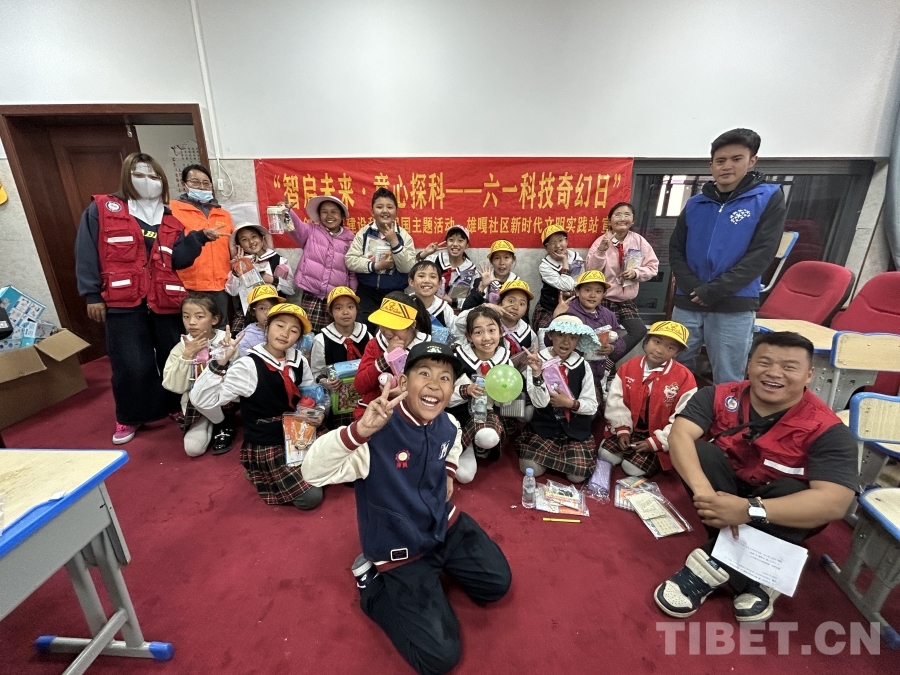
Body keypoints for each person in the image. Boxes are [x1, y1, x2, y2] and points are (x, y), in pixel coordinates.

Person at [302, 342, 512, 675]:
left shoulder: (446, 422)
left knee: (497, 585)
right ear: (403, 381)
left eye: (445, 377)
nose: (435, 384)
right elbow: (312, 472)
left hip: (443, 524)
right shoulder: (376, 432)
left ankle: (438, 571)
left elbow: (453, 438)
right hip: (400, 546)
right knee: (439, 658)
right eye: (424, 373)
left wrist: (449, 471)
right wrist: (359, 431)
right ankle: (373, 588)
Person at [653, 331, 857, 623]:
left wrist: (748, 510)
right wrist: (708, 497)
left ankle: (710, 566)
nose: (774, 373)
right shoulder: (718, 395)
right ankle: (760, 577)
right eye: (764, 362)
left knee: (794, 490)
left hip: (775, 507)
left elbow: (836, 502)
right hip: (723, 493)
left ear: (809, 374)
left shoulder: (828, 429)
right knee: (701, 452)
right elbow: (680, 435)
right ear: (749, 365)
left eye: (789, 366)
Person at [74, 152, 215, 444]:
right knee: (131, 362)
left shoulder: (169, 218)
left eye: (154, 176)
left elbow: (178, 260)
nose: (148, 182)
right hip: (123, 300)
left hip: (165, 300)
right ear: (127, 177)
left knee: (174, 356)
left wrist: (199, 239)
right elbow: (86, 251)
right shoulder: (103, 209)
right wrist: (92, 294)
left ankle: (174, 405)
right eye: (140, 175)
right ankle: (130, 416)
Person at [668, 128, 787, 384]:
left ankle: (722, 412)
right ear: (711, 165)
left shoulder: (767, 198)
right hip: (689, 301)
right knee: (674, 371)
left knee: (728, 377)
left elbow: (762, 253)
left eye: (736, 159)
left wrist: (714, 290)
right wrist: (694, 287)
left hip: (733, 302)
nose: (727, 166)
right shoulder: (695, 204)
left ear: (752, 160)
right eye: (720, 160)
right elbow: (676, 250)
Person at [190, 303, 325, 511]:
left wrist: (317, 412)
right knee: (311, 497)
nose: (285, 334)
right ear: (267, 327)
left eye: (294, 330)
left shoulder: (298, 360)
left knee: (334, 466)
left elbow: (308, 391)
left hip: (297, 431)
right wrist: (220, 361)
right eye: (280, 325)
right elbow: (201, 399)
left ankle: (284, 469)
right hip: (267, 440)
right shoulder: (248, 365)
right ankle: (257, 469)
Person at [600, 321, 697, 477]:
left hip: (659, 433)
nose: (659, 350)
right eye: (656, 342)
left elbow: (684, 418)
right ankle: (626, 440)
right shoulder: (628, 367)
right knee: (606, 455)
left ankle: (650, 453)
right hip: (630, 427)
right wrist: (622, 429)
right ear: (647, 340)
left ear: (677, 353)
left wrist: (657, 442)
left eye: (670, 348)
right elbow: (616, 400)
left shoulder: (685, 378)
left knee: (632, 469)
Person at [516, 315, 600, 483]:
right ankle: (552, 460)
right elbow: (539, 403)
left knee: (577, 476)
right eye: (560, 335)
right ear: (551, 335)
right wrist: (537, 373)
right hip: (545, 428)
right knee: (530, 469)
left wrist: (571, 403)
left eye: (573, 337)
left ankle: (562, 461)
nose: (566, 342)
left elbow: (592, 405)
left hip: (575, 430)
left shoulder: (582, 365)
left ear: (578, 341)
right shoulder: (536, 360)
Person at [162, 292, 238, 456]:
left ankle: (223, 424)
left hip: (224, 400)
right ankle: (217, 422)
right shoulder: (181, 347)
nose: (191, 322)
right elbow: (173, 386)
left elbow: (241, 378)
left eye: (199, 316)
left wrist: (227, 354)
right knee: (193, 450)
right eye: (186, 316)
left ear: (214, 319)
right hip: (196, 404)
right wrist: (187, 355)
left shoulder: (225, 341)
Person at [447, 306, 516, 483]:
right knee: (464, 476)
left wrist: (504, 395)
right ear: (469, 336)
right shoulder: (457, 359)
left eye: (492, 330)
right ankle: (466, 444)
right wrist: (466, 390)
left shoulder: (505, 362)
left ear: (501, 332)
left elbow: (507, 404)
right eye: (478, 332)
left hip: (487, 416)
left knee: (488, 438)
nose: (486, 338)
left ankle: (479, 441)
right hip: (458, 417)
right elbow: (444, 398)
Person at [585, 202, 659, 358]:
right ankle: (604, 366)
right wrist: (601, 251)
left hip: (626, 301)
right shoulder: (601, 241)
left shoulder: (639, 241)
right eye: (617, 215)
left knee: (639, 330)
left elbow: (653, 267)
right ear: (610, 220)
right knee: (604, 336)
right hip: (604, 299)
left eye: (627, 215)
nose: (622, 218)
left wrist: (636, 273)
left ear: (633, 220)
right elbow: (591, 272)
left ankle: (612, 358)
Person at [169, 164, 235, 327]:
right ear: (184, 184)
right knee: (192, 329)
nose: (201, 187)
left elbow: (231, 246)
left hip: (219, 284)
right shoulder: (173, 210)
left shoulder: (223, 214)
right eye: (195, 182)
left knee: (219, 329)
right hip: (188, 284)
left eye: (206, 183)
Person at [345, 187, 417, 329]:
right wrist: (375, 266)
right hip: (367, 291)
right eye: (379, 207)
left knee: (393, 330)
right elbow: (350, 260)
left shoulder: (404, 236)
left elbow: (408, 267)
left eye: (389, 207)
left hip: (395, 293)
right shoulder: (364, 233)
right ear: (372, 212)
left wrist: (394, 242)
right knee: (363, 329)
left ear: (396, 212)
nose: (385, 211)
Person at [352, 293, 431, 420]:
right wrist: (386, 357)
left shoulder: (426, 349)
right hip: (374, 414)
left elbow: (433, 388)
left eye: (395, 326)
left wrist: (407, 393)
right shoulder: (375, 344)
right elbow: (360, 386)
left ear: (412, 325)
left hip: (412, 416)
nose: (387, 332)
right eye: (383, 324)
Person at [286, 195, 357, 332]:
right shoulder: (310, 231)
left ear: (342, 215)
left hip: (336, 297)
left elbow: (352, 271)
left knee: (334, 333)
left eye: (334, 212)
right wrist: (287, 213)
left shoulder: (350, 239)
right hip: (311, 294)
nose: (329, 216)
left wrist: (352, 293)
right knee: (308, 333)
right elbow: (295, 227)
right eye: (324, 212)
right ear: (319, 215)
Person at [553, 271, 626, 393]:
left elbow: (621, 342)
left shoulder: (608, 315)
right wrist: (556, 318)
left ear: (604, 294)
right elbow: (549, 340)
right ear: (577, 291)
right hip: (571, 373)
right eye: (587, 290)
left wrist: (612, 348)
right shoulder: (568, 312)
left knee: (592, 403)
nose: (593, 295)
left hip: (597, 375)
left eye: (598, 291)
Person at [310, 286, 372, 428]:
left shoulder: (367, 335)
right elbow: (316, 372)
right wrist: (325, 381)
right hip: (336, 403)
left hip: (364, 399)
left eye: (350, 307)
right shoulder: (322, 339)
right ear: (330, 312)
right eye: (338, 308)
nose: (345, 312)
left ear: (356, 309)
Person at [224, 222, 294, 316]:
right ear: (239, 245)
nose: (251, 242)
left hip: (275, 313)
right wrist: (237, 270)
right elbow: (232, 292)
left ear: (262, 238)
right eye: (244, 239)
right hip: (249, 314)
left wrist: (273, 280)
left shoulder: (279, 260)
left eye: (254, 236)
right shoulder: (239, 263)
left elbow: (291, 289)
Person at [533, 225, 584, 330]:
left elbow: (580, 282)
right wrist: (564, 261)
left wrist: (571, 292)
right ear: (546, 248)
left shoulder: (576, 258)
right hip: (549, 308)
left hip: (574, 307)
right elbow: (567, 285)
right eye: (552, 243)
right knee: (545, 334)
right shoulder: (545, 266)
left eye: (560, 240)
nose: (557, 245)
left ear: (566, 241)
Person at [417, 224, 476, 309]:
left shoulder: (470, 271)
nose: (455, 244)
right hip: (428, 307)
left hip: (455, 311)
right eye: (451, 240)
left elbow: (470, 301)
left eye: (460, 241)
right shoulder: (435, 260)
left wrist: (448, 300)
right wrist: (425, 253)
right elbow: (413, 270)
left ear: (467, 245)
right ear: (446, 243)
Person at [461, 240, 519, 310]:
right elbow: (466, 309)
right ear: (491, 261)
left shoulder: (518, 285)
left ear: (513, 259)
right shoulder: (480, 281)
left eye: (506, 257)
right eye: (497, 258)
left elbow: (522, 314)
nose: (502, 262)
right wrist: (482, 287)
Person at [236, 284, 285, 357]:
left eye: (273, 308)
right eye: (262, 308)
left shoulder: (285, 331)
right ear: (253, 311)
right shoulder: (246, 339)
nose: (268, 313)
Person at [408, 260, 455, 328]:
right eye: (421, 276)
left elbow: (455, 333)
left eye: (433, 277)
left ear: (440, 283)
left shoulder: (445, 309)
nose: (427, 280)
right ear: (411, 282)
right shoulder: (404, 305)